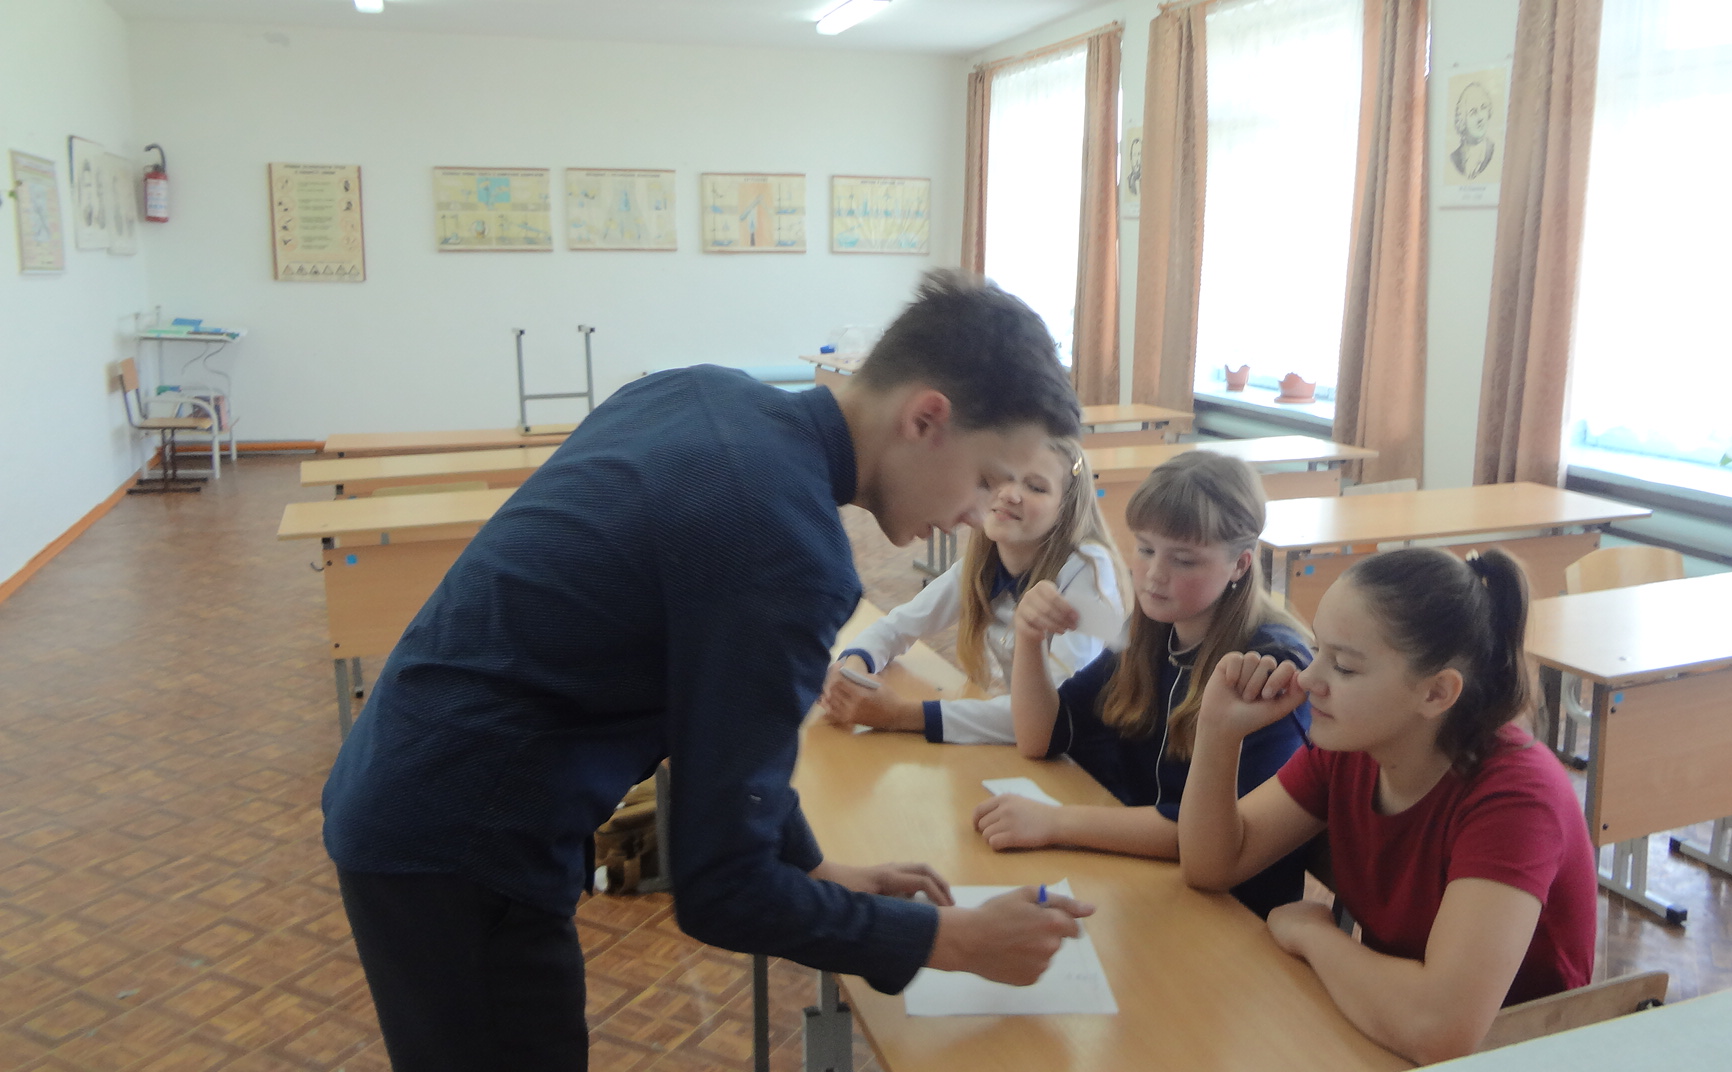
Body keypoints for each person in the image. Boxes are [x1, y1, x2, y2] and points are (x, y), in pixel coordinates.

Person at [321, 270, 1097, 1072]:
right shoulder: (784, 550)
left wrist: (818, 868)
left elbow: (722, 745)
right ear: (925, 418)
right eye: (985, 479)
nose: (979, 514)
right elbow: (722, 888)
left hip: (412, 773)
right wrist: (952, 939)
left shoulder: (705, 393)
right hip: (459, 836)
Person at [1178, 547, 1596, 1064]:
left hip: (1523, 1054)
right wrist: (1218, 733)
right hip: (1385, 1031)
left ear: (1437, 693)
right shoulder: (1356, 746)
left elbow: (1438, 1028)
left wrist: (1314, 936)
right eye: (1317, 649)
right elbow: (1213, 864)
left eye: (1344, 667)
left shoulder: (1517, 799)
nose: (1308, 680)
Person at [975, 451, 1314, 915]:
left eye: (1184, 560)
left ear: (1240, 565)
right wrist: (1029, 638)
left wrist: (1057, 822)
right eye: (1146, 549)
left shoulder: (1269, 667)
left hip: (1231, 911)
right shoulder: (1152, 630)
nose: (1155, 575)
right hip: (1142, 878)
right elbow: (1041, 737)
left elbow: (1210, 837)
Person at [820, 435, 1127, 744]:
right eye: (1001, 477)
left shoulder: (1087, 570)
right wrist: (852, 670)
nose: (1009, 494)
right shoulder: (984, 564)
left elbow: (1053, 713)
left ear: (1065, 509)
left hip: (1085, 753)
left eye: (1035, 487)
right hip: (1033, 748)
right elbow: (899, 626)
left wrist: (901, 715)